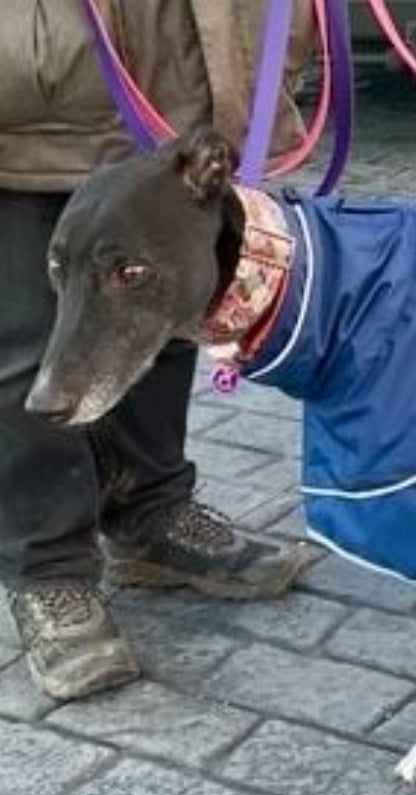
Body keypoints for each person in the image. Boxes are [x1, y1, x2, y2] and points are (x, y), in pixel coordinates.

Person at [0, 1, 315, 700]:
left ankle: (150, 511)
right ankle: (49, 568)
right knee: (29, 347)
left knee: (167, 308)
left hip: (185, 71)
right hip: (30, 102)